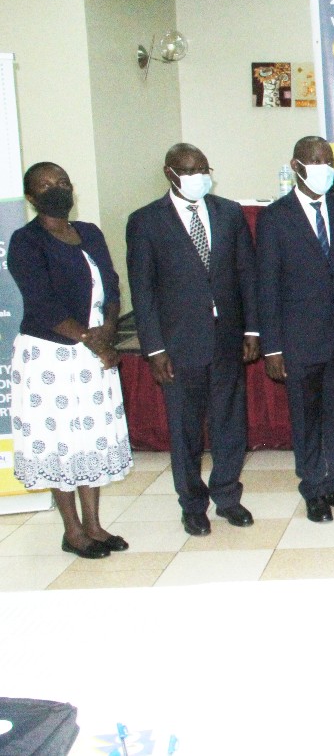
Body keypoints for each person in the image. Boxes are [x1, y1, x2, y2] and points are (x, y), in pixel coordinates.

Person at [126, 143, 260, 537]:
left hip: (228, 338)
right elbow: (143, 291)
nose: (200, 175)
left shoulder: (229, 213)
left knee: (229, 424)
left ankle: (228, 497)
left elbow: (246, 275)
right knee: (185, 429)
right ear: (170, 173)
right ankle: (192, 504)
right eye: (190, 169)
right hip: (178, 345)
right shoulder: (146, 221)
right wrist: (153, 348)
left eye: (204, 168)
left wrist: (252, 329)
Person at [9, 162, 131, 558]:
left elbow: (110, 284)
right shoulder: (25, 241)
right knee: (60, 444)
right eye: (45, 185)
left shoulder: (90, 232)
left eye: (62, 181)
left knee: (90, 441)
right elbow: (42, 303)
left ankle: (94, 525)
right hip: (52, 356)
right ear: (31, 197)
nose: (56, 188)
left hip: (95, 350)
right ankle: (72, 531)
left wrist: (109, 330)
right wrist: (94, 342)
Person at [256, 136, 334, 523]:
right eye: (315, 160)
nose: (324, 167)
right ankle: (313, 488)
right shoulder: (275, 217)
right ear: (296, 165)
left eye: (329, 160)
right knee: (307, 418)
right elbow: (268, 286)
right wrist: (271, 347)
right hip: (299, 341)